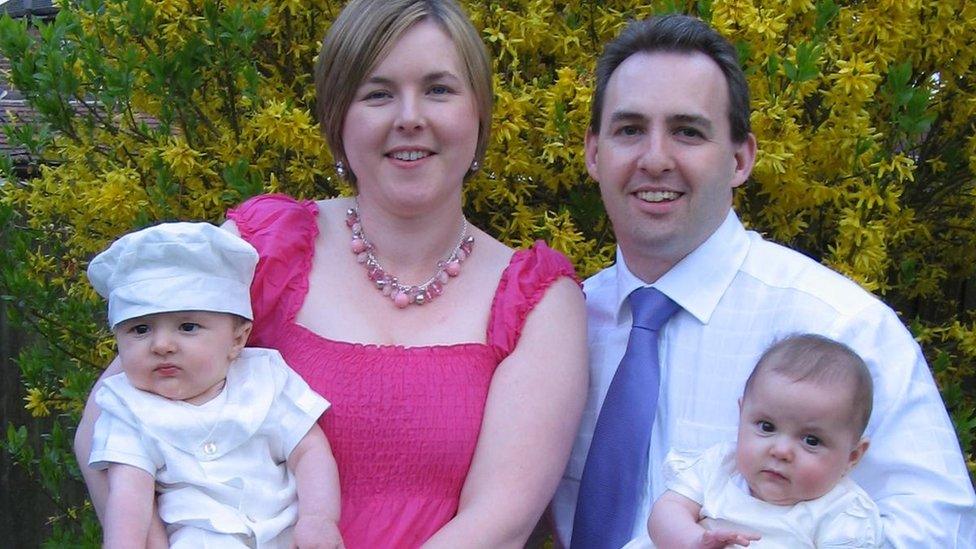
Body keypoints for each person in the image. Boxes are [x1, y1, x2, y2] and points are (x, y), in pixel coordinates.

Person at [75, 1, 588, 547]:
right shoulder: (260, 251)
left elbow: (499, 524)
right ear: (338, 119)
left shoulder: (536, 301)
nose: (409, 117)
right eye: (378, 93)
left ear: (479, 113)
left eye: (439, 89)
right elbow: (107, 426)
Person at [550, 13, 975, 549]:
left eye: (688, 131)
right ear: (594, 152)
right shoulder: (560, 327)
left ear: (740, 158)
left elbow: (939, 534)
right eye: (630, 130)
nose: (655, 159)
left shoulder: (843, 328)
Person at [85, 222, 341, 548]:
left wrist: (318, 518)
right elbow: (128, 495)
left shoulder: (266, 379)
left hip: (285, 535)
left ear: (237, 339)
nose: (161, 344)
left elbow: (309, 451)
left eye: (188, 327)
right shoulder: (126, 407)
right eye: (140, 330)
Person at [647, 334, 882, 548]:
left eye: (811, 440)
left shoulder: (843, 514)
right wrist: (693, 542)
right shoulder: (720, 466)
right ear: (741, 416)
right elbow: (667, 511)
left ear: (852, 456)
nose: (780, 451)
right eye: (767, 427)